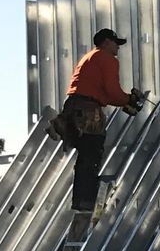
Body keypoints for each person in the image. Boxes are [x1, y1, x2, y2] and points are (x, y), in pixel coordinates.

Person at [58, 27, 146, 217]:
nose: (118, 48)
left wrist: (124, 101)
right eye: (116, 43)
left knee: (84, 155)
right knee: (92, 153)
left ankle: (81, 200)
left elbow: (104, 95)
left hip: (73, 108)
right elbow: (113, 91)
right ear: (106, 42)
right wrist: (128, 99)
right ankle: (86, 201)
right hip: (88, 111)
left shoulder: (89, 58)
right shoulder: (108, 59)